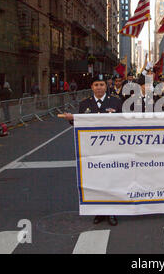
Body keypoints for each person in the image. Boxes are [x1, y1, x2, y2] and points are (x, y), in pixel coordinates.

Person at [63, 75, 122, 226]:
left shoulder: (115, 101)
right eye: (96, 85)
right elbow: (80, 123)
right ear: (92, 87)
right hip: (92, 150)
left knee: (111, 180)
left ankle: (112, 212)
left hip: (112, 148)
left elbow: (124, 123)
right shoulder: (85, 104)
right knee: (96, 181)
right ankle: (99, 211)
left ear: (106, 86)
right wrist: (72, 118)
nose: (99, 87)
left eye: (102, 84)